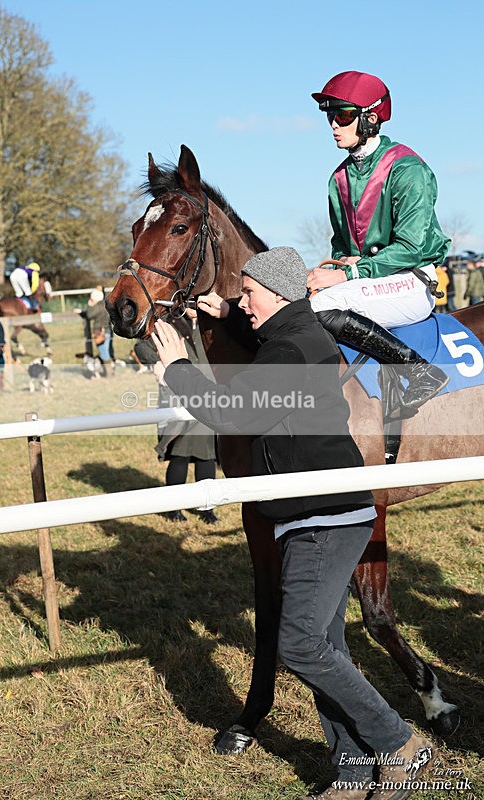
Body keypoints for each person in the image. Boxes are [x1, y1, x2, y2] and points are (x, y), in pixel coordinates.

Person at [151, 247, 435, 800]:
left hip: (325, 516)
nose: (243, 303)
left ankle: (399, 744)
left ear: (278, 294)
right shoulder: (296, 332)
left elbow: (234, 413)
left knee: (301, 644)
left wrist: (178, 370)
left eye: (248, 294)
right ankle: (353, 773)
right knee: (326, 644)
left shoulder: (292, 346)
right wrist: (226, 314)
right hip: (311, 513)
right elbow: (264, 343)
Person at [308, 71, 450, 416]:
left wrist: (349, 274)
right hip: (371, 282)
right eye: (330, 116)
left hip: (413, 279)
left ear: (371, 118)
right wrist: (340, 264)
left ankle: (421, 371)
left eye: (343, 115)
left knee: (320, 307)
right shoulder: (338, 178)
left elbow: (411, 247)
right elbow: (342, 244)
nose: (334, 124)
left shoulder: (408, 169)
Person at [134, 308, 219, 524]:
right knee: (180, 453)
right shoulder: (169, 323)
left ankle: (207, 507)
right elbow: (141, 346)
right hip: (178, 396)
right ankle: (174, 507)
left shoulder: (213, 323)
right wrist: (158, 364)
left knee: (206, 455)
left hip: (208, 395)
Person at [74, 288, 113, 377]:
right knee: (105, 352)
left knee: (104, 353)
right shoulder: (104, 305)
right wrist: (82, 312)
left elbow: (89, 315)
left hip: (100, 332)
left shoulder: (98, 306)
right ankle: (109, 372)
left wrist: (89, 305)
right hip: (106, 331)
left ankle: (109, 374)